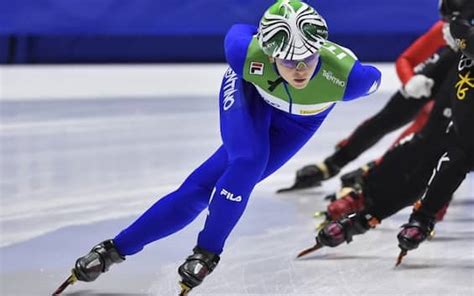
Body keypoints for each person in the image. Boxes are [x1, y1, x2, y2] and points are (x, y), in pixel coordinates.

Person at [55, 1, 380, 295]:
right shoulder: (244, 54)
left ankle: (124, 250)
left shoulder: (352, 79)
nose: (300, 69)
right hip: (250, 95)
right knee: (248, 161)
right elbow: (239, 31)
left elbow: (392, 88)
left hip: (298, 123)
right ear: (269, 53)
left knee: (210, 184)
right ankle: (192, 251)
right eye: (289, 59)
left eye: (308, 57)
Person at [297, 0, 472, 265]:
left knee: (438, 155)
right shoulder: (450, 43)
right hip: (450, 116)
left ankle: (381, 202)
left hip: (455, 119)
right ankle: (362, 188)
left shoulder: (457, 36)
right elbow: (405, 124)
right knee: (422, 143)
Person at [277, 0, 459, 193]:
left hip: (458, 91)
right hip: (430, 81)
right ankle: (333, 163)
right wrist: (409, 80)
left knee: (426, 131)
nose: (456, 27)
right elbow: (407, 59)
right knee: (388, 119)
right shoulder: (445, 30)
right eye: (452, 20)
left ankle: (376, 168)